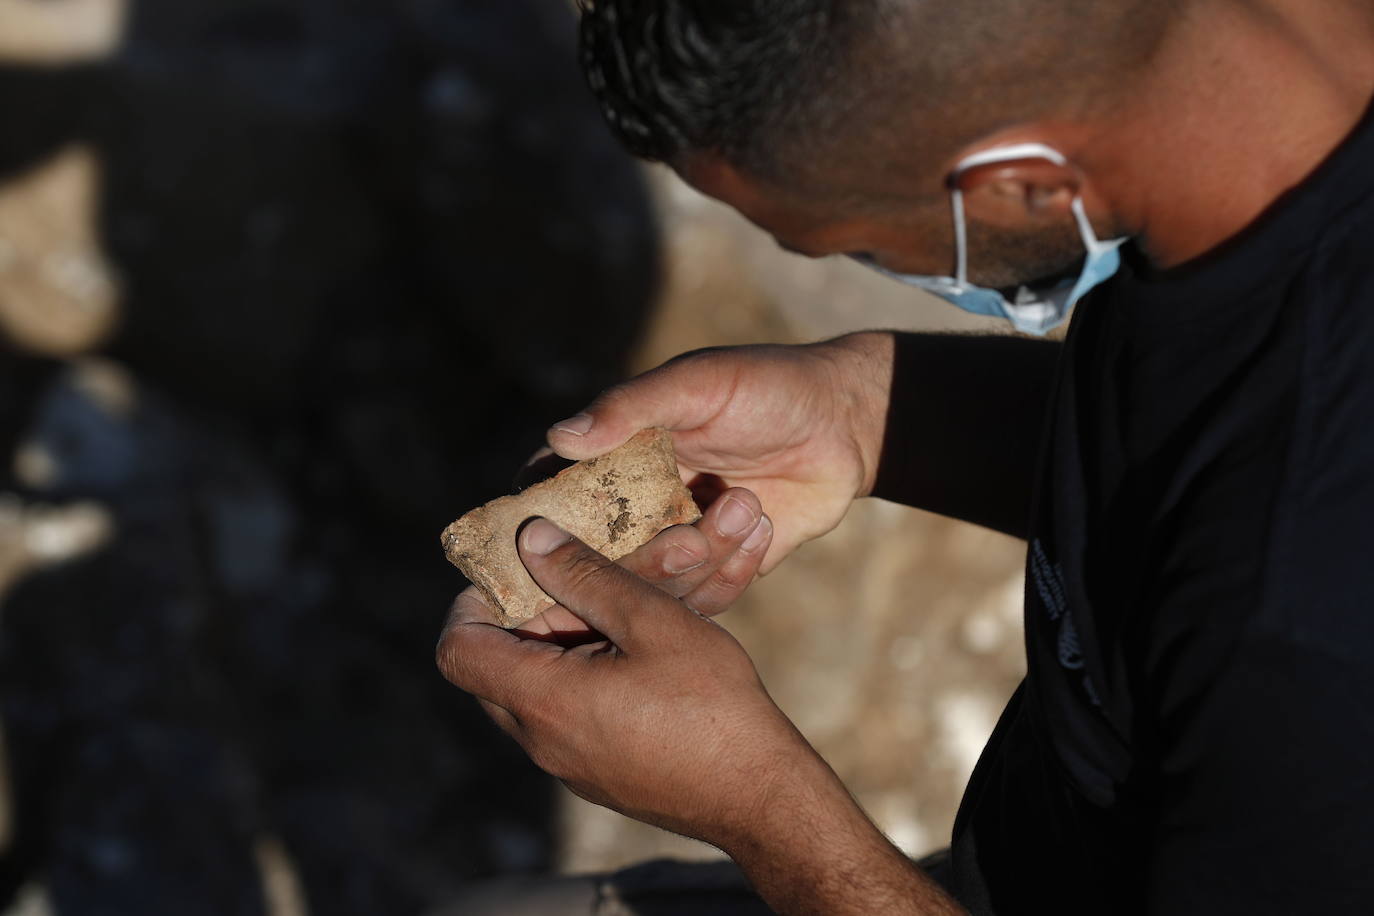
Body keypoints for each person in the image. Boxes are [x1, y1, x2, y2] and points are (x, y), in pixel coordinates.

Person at [436, 0, 1374, 912]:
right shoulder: (1266, 121)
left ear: (1026, 183)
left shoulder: (1305, 651)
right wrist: (862, 416)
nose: (865, 267)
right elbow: (1214, 455)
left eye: (849, 242)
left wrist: (764, 810)